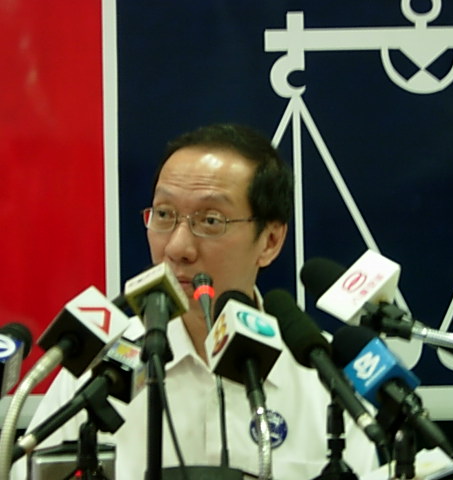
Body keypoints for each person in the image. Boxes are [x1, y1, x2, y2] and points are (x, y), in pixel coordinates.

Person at [11, 124, 380, 479]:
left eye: (211, 220)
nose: (177, 248)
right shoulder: (97, 366)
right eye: (164, 215)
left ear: (269, 241)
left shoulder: (323, 377)